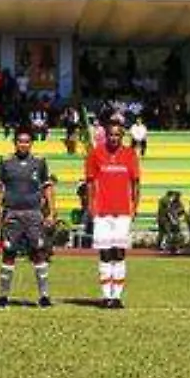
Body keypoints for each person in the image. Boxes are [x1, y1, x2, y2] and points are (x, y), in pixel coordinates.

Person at [0, 127, 55, 307]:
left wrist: (51, 211)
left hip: (34, 214)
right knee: (9, 253)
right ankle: (3, 296)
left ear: (31, 144)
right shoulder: (5, 163)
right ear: (15, 143)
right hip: (12, 214)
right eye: (20, 141)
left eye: (27, 142)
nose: (23, 145)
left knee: (38, 253)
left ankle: (44, 296)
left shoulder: (40, 163)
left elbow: (48, 188)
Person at [85, 120, 141, 309]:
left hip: (123, 211)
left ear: (122, 136)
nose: (114, 138)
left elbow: (136, 183)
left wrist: (135, 206)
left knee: (119, 252)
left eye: (117, 135)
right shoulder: (95, 154)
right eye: (111, 134)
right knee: (105, 252)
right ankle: (106, 296)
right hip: (102, 211)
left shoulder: (130, 154)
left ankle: (117, 296)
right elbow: (90, 183)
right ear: (106, 135)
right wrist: (91, 206)